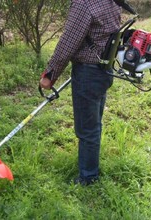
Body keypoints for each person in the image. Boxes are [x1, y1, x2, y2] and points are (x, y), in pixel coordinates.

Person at [39, 0, 122, 185]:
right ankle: (90, 167)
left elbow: (67, 44)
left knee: (87, 129)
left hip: (89, 73)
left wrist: (49, 75)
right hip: (104, 69)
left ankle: (88, 177)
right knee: (94, 124)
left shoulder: (84, 4)